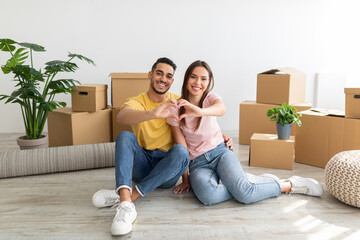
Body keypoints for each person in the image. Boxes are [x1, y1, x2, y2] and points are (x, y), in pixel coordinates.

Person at [91, 57, 233, 236]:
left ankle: (126, 198)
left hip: (168, 168)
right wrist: (153, 113)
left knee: (181, 151)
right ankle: (126, 203)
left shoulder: (177, 101)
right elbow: (122, 116)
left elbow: (197, 127)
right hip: (142, 166)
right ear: (150, 75)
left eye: (168, 76)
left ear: (172, 81)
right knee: (125, 136)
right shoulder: (138, 101)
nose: (163, 79)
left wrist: (222, 137)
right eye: (159, 73)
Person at [167, 60, 323, 205]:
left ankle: (289, 185)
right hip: (198, 164)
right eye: (193, 77)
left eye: (203, 79)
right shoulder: (175, 108)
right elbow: (182, 149)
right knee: (207, 196)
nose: (198, 83)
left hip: (220, 153)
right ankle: (244, 183)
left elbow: (221, 109)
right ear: (186, 78)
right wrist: (186, 179)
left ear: (209, 82)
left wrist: (199, 111)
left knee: (245, 195)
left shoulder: (210, 98)